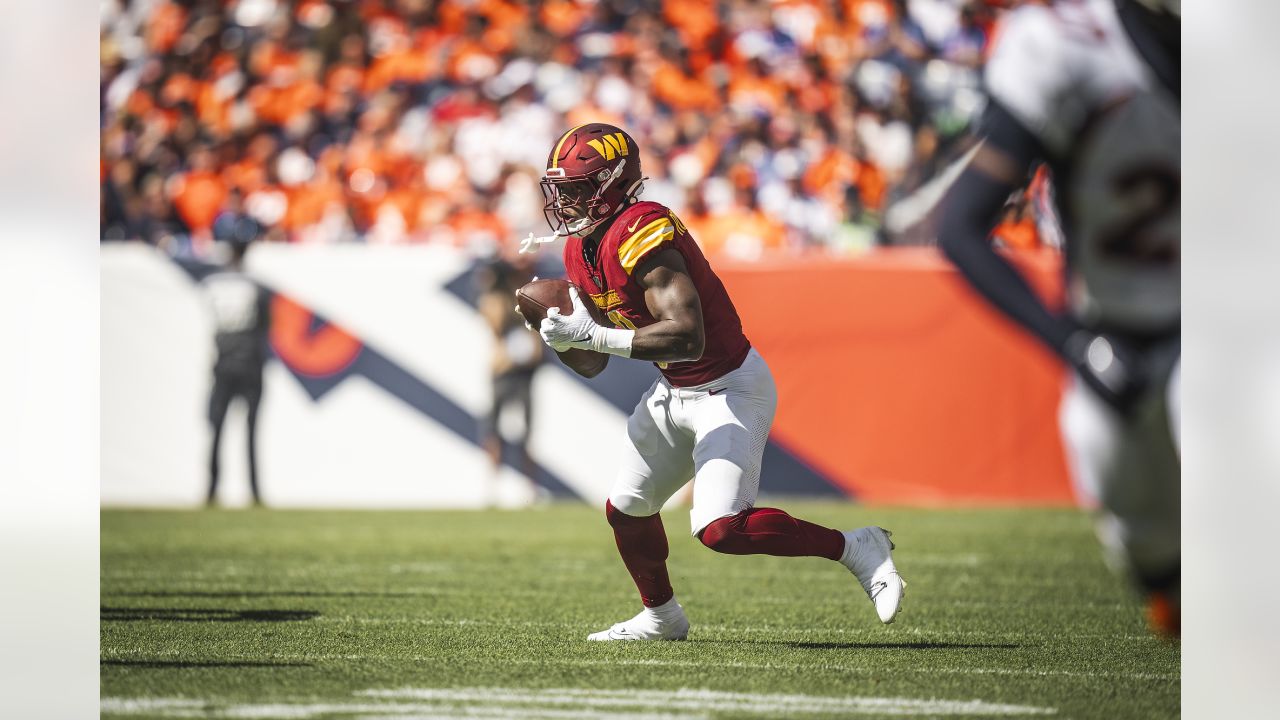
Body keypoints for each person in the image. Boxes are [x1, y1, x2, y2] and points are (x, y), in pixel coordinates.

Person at [529, 123, 905, 641]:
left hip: (728, 386)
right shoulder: (579, 251)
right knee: (627, 510)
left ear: (613, 183)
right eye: (560, 190)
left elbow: (688, 337)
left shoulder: (643, 228)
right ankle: (662, 617)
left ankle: (856, 546)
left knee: (721, 530)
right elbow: (595, 363)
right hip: (673, 393)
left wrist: (593, 336)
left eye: (576, 188)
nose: (565, 202)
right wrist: (564, 341)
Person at [937, 0, 1180, 634]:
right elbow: (963, 226)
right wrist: (1075, 344)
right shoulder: (1068, 45)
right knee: (1167, 578)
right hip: (1129, 347)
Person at [202, 240, 272, 507]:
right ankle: (254, 492)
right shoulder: (255, 286)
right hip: (250, 364)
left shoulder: (212, 284)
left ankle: (211, 490)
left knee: (216, 429)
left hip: (223, 363)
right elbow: (267, 327)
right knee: (250, 432)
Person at [477, 252, 545, 504]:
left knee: (527, 430)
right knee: (493, 430)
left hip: (524, 371)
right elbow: (494, 324)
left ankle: (529, 487)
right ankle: (492, 487)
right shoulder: (494, 300)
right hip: (503, 370)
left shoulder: (522, 298)